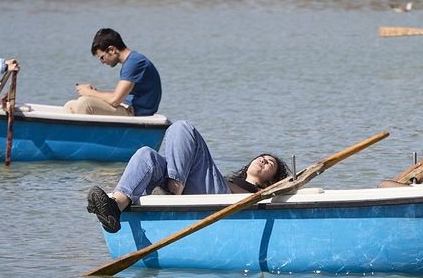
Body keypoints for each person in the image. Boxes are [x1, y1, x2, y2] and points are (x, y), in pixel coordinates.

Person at [86, 120, 290, 233]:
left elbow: (261, 196)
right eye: (261, 157)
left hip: (219, 198)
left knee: (182, 127)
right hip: (203, 190)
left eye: (269, 163)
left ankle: (174, 190)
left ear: (270, 181)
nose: (263, 160)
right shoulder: (230, 179)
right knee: (146, 154)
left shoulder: (260, 192)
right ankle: (116, 207)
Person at [65, 28, 161, 116]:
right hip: (126, 106)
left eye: (102, 57)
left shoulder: (134, 63)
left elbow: (115, 100)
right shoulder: (131, 62)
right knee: (70, 105)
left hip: (135, 111)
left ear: (112, 50)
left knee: (84, 103)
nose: (102, 62)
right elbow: (117, 96)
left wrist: (89, 92)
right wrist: (95, 92)